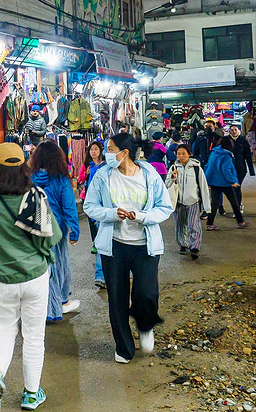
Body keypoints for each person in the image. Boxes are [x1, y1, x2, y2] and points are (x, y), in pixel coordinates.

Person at [0, 142, 62, 411]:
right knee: (34, 336)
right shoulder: (35, 196)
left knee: (4, 327)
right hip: (34, 277)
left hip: (1, 279)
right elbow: (52, 238)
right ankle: (31, 395)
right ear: (24, 168)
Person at [84, 134, 173, 364]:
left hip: (145, 245)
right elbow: (90, 206)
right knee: (117, 298)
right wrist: (112, 214)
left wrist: (143, 217)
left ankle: (145, 326)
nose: (106, 153)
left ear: (124, 153)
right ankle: (124, 348)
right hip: (114, 245)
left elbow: (165, 207)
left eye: (111, 148)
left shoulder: (149, 175)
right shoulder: (103, 175)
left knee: (146, 293)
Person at [29, 140, 80, 322]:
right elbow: (69, 207)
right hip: (56, 229)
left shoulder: (30, 178)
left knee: (40, 267)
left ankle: (45, 304)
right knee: (58, 265)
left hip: (34, 228)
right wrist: (74, 231)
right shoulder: (61, 179)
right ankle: (55, 307)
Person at [166, 144, 210, 259]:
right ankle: (183, 245)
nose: (181, 156)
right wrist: (172, 178)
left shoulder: (196, 168)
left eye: (183, 153)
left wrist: (207, 206)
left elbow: (203, 187)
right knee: (180, 225)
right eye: (178, 154)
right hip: (178, 202)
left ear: (189, 154)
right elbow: (166, 185)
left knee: (194, 225)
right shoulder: (173, 168)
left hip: (193, 201)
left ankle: (194, 247)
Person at [77, 141, 106, 289]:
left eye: (95, 149)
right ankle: (95, 242)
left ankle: (103, 274)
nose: (93, 152)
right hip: (89, 197)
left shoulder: (105, 165)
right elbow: (80, 179)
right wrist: (85, 174)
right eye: (91, 150)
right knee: (93, 223)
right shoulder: (88, 165)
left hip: (103, 200)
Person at [204, 137, 249, 230]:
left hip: (213, 182)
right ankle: (240, 222)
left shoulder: (214, 152)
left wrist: (207, 180)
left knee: (214, 204)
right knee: (234, 202)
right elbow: (226, 170)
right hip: (225, 183)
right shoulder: (226, 155)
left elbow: (208, 166)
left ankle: (209, 223)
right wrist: (233, 181)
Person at [228, 125, 256, 210]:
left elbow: (248, 156)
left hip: (241, 168)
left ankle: (238, 206)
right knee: (232, 188)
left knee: (237, 187)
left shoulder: (243, 141)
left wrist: (251, 170)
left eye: (235, 130)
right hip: (230, 169)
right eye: (232, 130)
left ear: (238, 130)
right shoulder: (227, 141)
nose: (234, 131)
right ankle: (237, 205)